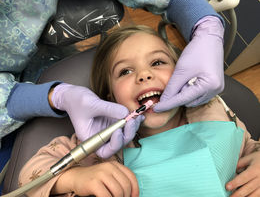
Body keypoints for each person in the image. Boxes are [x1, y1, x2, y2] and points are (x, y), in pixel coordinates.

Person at [19, 25, 260, 197]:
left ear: (182, 73)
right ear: (109, 98)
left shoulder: (211, 107)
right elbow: (30, 175)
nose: (144, 75)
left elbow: (249, 145)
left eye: (158, 62)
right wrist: (75, 178)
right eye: (125, 71)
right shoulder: (102, 141)